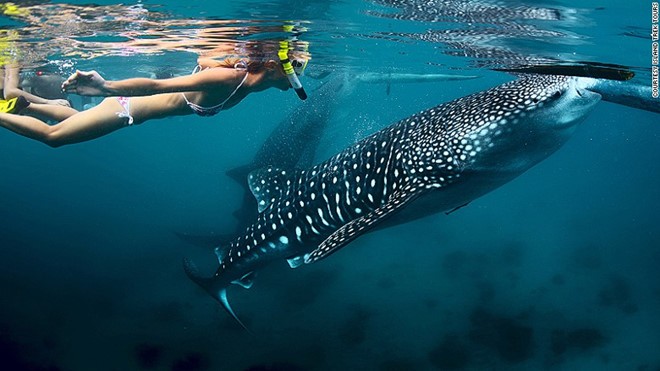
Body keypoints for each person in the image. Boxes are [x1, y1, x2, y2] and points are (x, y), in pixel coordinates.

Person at [0, 44, 309, 147]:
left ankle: (26, 105)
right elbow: (158, 87)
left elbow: (202, 61)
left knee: (77, 119)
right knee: (54, 138)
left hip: (128, 112)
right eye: (298, 64)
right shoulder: (230, 79)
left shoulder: (244, 80)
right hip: (125, 108)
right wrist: (105, 87)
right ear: (273, 65)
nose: (301, 71)